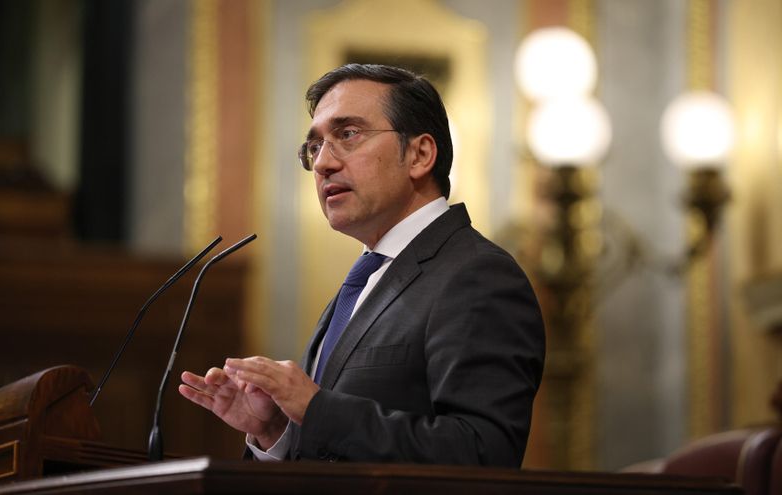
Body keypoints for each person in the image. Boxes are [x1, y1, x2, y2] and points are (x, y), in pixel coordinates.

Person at [178, 64, 545, 466]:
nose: (322, 164)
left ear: (420, 155)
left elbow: (483, 453)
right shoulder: (367, 278)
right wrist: (278, 433)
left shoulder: (477, 276)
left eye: (348, 134)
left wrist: (316, 410)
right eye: (314, 147)